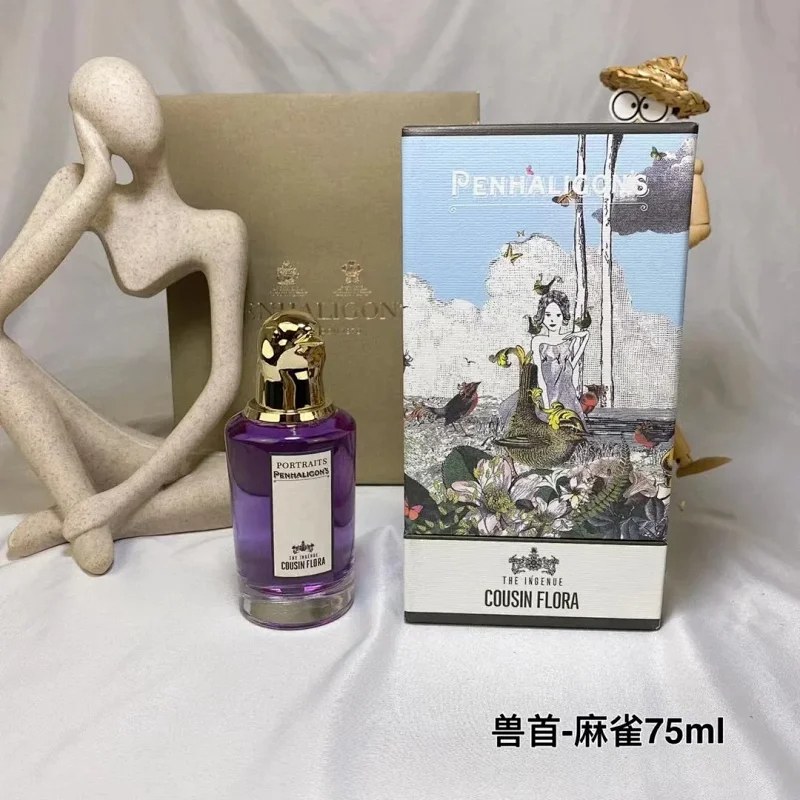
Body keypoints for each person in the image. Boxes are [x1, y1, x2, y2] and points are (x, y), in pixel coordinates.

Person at [0, 57, 246, 573]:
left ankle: (84, 520)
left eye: (136, 97)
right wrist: (94, 182)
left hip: (165, 458)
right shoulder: (76, 189)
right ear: (88, 126)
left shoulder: (220, 231)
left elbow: (224, 380)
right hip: (88, 440)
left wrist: (122, 499)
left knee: (257, 483)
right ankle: (77, 502)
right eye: (109, 105)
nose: (133, 114)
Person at [529, 290, 589, 421]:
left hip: (567, 397)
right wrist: (546, 404)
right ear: (542, 316)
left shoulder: (567, 340)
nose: (552, 320)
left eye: (558, 315)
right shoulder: (538, 341)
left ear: (563, 316)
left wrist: (579, 335)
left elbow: (571, 366)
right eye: (548, 315)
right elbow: (539, 376)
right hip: (546, 395)